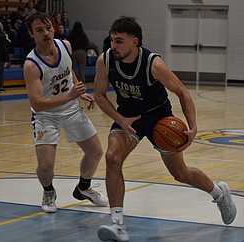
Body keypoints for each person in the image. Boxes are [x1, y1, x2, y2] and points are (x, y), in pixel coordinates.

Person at [93, 16, 237, 242]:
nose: (114, 46)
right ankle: (117, 223)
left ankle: (219, 194)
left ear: (135, 42)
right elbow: (99, 96)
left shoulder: (153, 63)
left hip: (159, 118)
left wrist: (193, 127)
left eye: (119, 41)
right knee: (112, 157)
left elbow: (182, 92)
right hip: (129, 117)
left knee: (180, 174)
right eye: (112, 40)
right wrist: (120, 119)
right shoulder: (106, 60)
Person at [23, 12, 108, 213]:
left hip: (70, 109)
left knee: (95, 152)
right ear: (31, 34)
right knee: (45, 167)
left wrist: (80, 90)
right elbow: (38, 103)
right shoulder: (31, 65)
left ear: (54, 28)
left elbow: (68, 70)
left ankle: (83, 188)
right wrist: (71, 95)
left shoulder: (66, 46)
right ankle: (49, 191)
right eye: (39, 30)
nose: (45, 33)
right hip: (46, 115)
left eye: (48, 28)